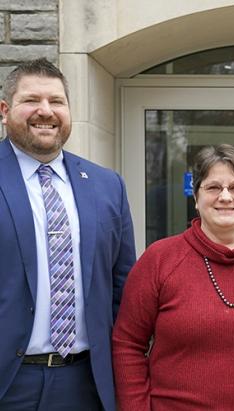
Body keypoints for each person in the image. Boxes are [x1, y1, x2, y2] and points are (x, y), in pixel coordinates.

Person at [112, 144, 234, 410]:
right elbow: (127, 344)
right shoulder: (159, 259)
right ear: (196, 197)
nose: (225, 196)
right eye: (213, 187)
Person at [0, 58, 136, 411]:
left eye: (57, 101)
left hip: (86, 383)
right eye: (32, 100)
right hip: (9, 383)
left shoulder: (108, 185)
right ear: (4, 110)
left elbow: (124, 288)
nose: (45, 111)